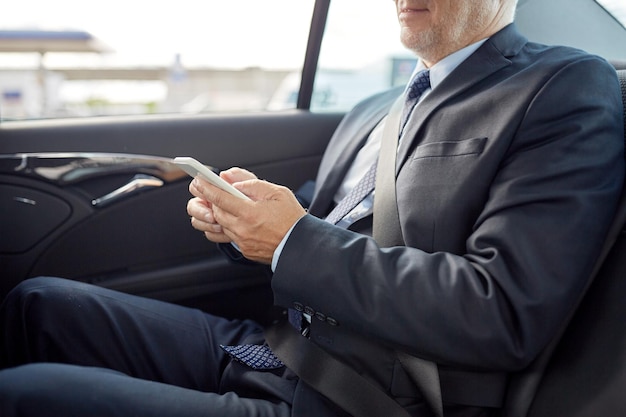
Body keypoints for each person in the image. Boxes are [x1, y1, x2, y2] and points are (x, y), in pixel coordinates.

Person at [0, 0, 623, 416]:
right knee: (39, 303)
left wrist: (291, 241)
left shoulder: (559, 87)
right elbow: (313, 235)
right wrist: (243, 229)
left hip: (362, 397)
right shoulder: (373, 110)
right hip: (274, 348)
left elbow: (504, 313)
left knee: (26, 393)